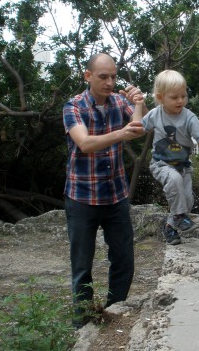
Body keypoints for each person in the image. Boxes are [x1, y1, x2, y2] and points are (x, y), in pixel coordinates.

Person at [62, 53, 147, 328]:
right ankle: (83, 323)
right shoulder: (73, 107)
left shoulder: (119, 102)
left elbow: (139, 128)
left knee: (124, 259)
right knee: (82, 267)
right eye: (103, 77)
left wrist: (138, 103)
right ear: (88, 76)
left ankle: (112, 312)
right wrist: (121, 134)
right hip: (82, 197)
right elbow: (85, 144)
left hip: (115, 195)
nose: (110, 82)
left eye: (113, 76)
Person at [136, 69, 199, 245]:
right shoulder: (155, 114)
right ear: (160, 97)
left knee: (187, 201)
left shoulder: (189, 117)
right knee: (174, 180)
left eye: (183, 96)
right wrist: (138, 105)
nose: (180, 100)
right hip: (161, 164)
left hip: (183, 166)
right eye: (174, 97)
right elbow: (137, 128)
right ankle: (180, 218)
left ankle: (170, 228)